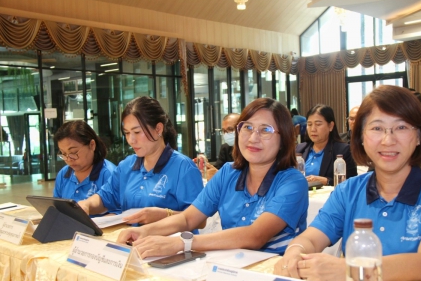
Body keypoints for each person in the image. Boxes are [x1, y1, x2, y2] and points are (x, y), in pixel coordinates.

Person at [274, 85, 421, 281]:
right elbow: (311, 238)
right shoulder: (348, 191)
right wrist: (295, 250)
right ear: (361, 138)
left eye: (401, 127)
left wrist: (351, 271)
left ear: (418, 136)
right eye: (376, 128)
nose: (388, 140)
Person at [117, 98, 309, 257]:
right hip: (229, 270)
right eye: (247, 127)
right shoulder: (228, 173)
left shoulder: (292, 182)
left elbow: (255, 235)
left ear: (283, 138)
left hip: (272, 277)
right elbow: (187, 219)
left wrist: (182, 243)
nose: (253, 138)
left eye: (265, 130)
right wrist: (143, 231)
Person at [78, 96, 204, 225]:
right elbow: (105, 198)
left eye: (137, 132)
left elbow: (200, 220)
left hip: (170, 243)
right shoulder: (127, 165)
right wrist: (86, 204)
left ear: (158, 129)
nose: (131, 140)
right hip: (132, 241)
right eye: (127, 133)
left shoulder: (183, 167)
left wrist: (166, 215)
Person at [53, 120, 117, 209]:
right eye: (63, 154)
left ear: (92, 145)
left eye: (73, 152)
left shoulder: (109, 174)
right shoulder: (63, 174)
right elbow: (57, 208)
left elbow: (118, 213)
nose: (68, 159)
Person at [296, 104, 357, 186]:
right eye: (309, 124)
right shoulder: (299, 149)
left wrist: (326, 181)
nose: (313, 129)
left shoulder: (343, 150)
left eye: (318, 124)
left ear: (331, 126)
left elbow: (352, 182)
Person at [204, 113, 240, 180]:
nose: (226, 134)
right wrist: (208, 167)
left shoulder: (251, 150)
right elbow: (217, 169)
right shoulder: (225, 148)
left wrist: (220, 175)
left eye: (230, 129)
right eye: (224, 131)